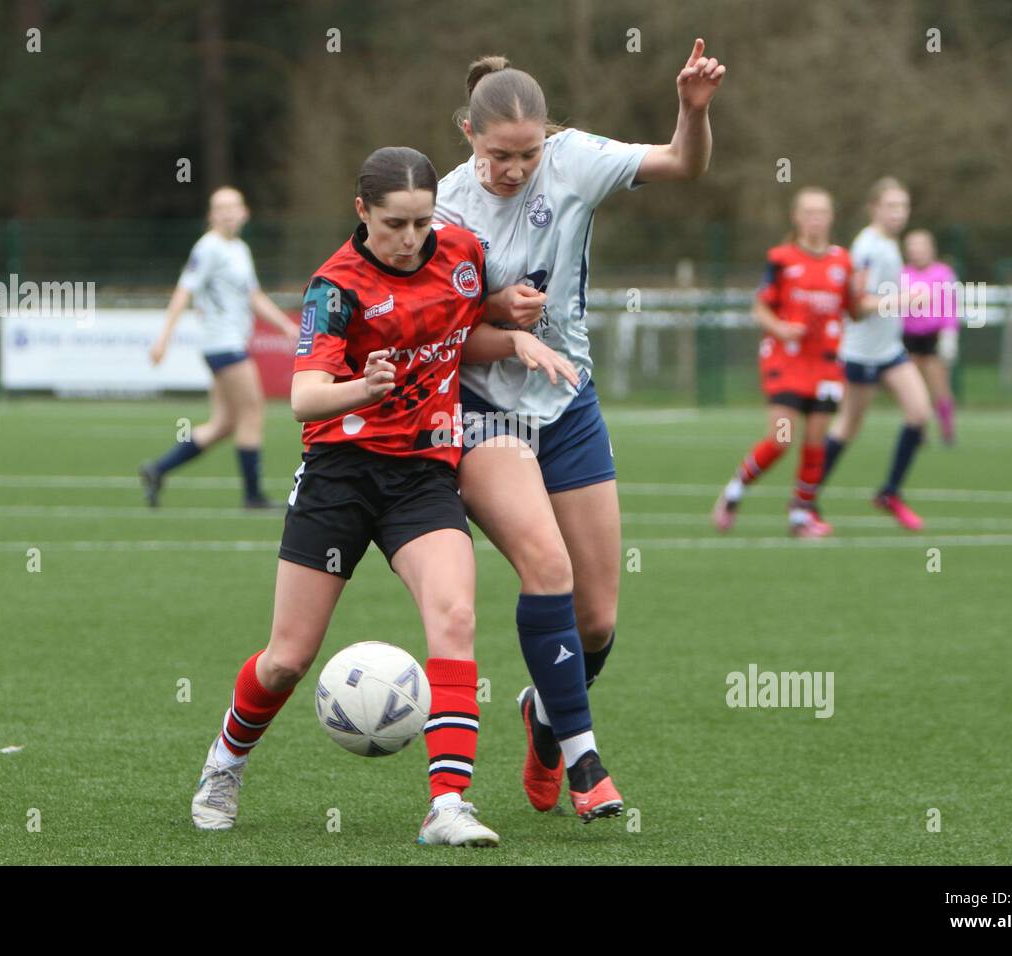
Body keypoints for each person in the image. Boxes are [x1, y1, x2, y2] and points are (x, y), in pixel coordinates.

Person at [188, 147, 575, 847]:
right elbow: (305, 399)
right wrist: (360, 390)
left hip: (422, 474)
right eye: (395, 223)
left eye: (422, 221)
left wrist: (513, 339)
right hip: (340, 474)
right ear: (362, 211)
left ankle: (448, 804)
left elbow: (462, 331)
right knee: (286, 659)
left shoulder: (459, 252)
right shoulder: (334, 287)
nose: (410, 238)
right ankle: (226, 760)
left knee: (455, 614)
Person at [432, 40, 726, 820]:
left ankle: (542, 715)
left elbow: (681, 165)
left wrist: (691, 114)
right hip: (483, 412)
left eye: (528, 154)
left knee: (597, 620)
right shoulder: (445, 207)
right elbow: (426, 333)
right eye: (500, 155)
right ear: (468, 133)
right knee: (546, 564)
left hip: (567, 408)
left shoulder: (574, 160)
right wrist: (492, 312)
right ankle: (585, 759)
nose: (515, 169)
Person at [141, 186, 299, 509]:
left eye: (234, 206)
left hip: (229, 344)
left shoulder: (239, 248)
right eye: (220, 208)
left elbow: (252, 295)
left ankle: (158, 469)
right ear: (211, 216)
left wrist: (284, 325)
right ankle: (253, 496)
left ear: (245, 212)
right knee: (252, 412)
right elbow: (184, 291)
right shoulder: (208, 248)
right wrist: (163, 338)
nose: (228, 212)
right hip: (223, 345)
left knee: (224, 423)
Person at [712, 187, 853, 537]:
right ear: (797, 217)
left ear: (831, 217)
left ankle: (801, 516)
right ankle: (734, 490)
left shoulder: (843, 262)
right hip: (786, 361)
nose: (815, 219)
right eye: (809, 212)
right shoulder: (782, 258)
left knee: (816, 440)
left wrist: (899, 301)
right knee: (781, 437)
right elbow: (760, 307)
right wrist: (782, 329)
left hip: (826, 363)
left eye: (821, 212)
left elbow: (857, 307)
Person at [818, 177, 932, 530]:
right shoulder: (867, 247)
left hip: (889, 351)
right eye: (892, 206)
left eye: (904, 206)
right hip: (861, 353)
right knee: (849, 426)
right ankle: (805, 497)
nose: (899, 213)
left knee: (918, 413)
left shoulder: (889, 244)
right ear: (874, 208)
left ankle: (890, 492)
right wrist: (904, 301)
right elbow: (858, 303)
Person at [902, 229, 959, 445]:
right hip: (909, 337)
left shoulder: (943, 273)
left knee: (939, 385)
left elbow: (950, 305)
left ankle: (947, 429)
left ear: (931, 249)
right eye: (912, 247)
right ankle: (920, 431)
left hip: (934, 336)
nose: (916, 251)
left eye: (920, 246)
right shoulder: (902, 274)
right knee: (915, 387)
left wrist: (949, 333)